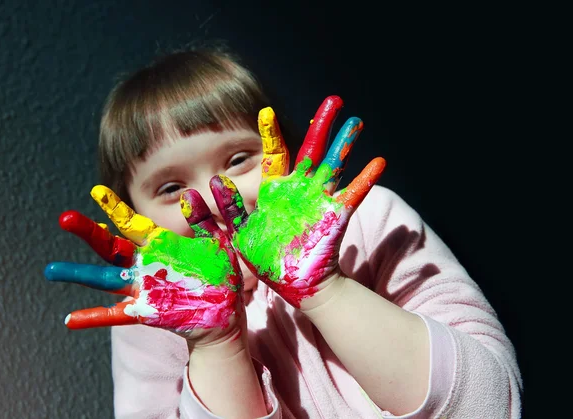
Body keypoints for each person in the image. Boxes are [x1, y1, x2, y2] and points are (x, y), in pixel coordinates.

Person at [44, 46, 522, 418]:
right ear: (131, 213)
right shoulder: (157, 311)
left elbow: (491, 404)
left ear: (283, 153)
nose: (212, 195)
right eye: (170, 188)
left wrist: (326, 292)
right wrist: (213, 344)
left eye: (236, 160)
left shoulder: (367, 219)